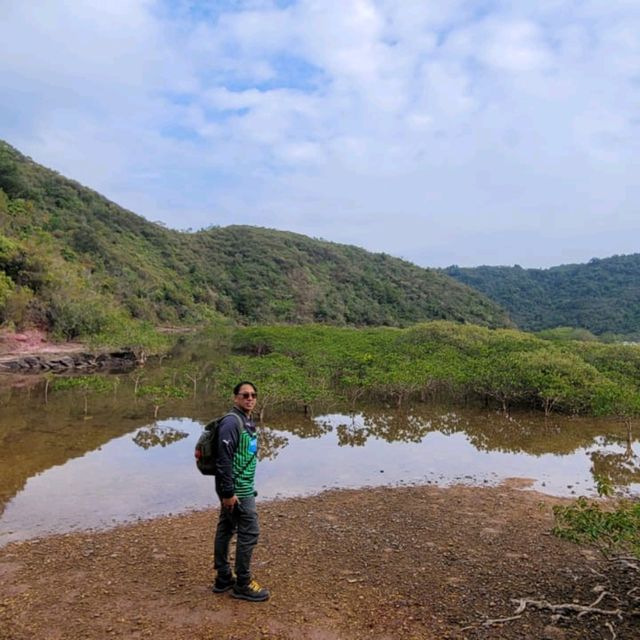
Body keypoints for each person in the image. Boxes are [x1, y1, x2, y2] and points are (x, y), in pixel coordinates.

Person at [212, 381, 270, 602]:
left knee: (226, 526)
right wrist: (228, 493)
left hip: (237, 486)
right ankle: (243, 583)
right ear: (235, 397)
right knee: (250, 531)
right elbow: (223, 460)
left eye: (253, 394)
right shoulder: (231, 422)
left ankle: (224, 577)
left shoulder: (246, 420)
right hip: (237, 489)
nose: (250, 398)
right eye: (245, 395)